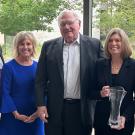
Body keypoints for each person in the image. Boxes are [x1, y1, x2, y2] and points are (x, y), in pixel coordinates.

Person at [35, 9, 105, 135]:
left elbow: (106, 71)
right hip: (54, 109)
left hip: (82, 109)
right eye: (62, 24)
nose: (66, 27)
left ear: (79, 24)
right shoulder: (48, 46)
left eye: (70, 23)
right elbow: (40, 79)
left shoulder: (94, 45)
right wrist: (40, 105)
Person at [0, 31, 44, 135]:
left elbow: (44, 90)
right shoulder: (8, 67)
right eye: (22, 44)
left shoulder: (39, 67)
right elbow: (5, 93)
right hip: (12, 115)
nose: (25, 47)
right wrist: (17, 115)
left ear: (33, 46)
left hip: (35, 116)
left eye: (28, 44)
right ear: (17, 46)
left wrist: (37, 113)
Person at [93, 28, 135, 135]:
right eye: (110, 41)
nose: (113, 43)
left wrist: (125, 116)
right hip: (101, 122)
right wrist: (100, 93)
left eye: (117, 40)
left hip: (123, 123)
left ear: (124, 43)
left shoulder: (133, 66)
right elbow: (90, 91)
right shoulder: (99, 65)